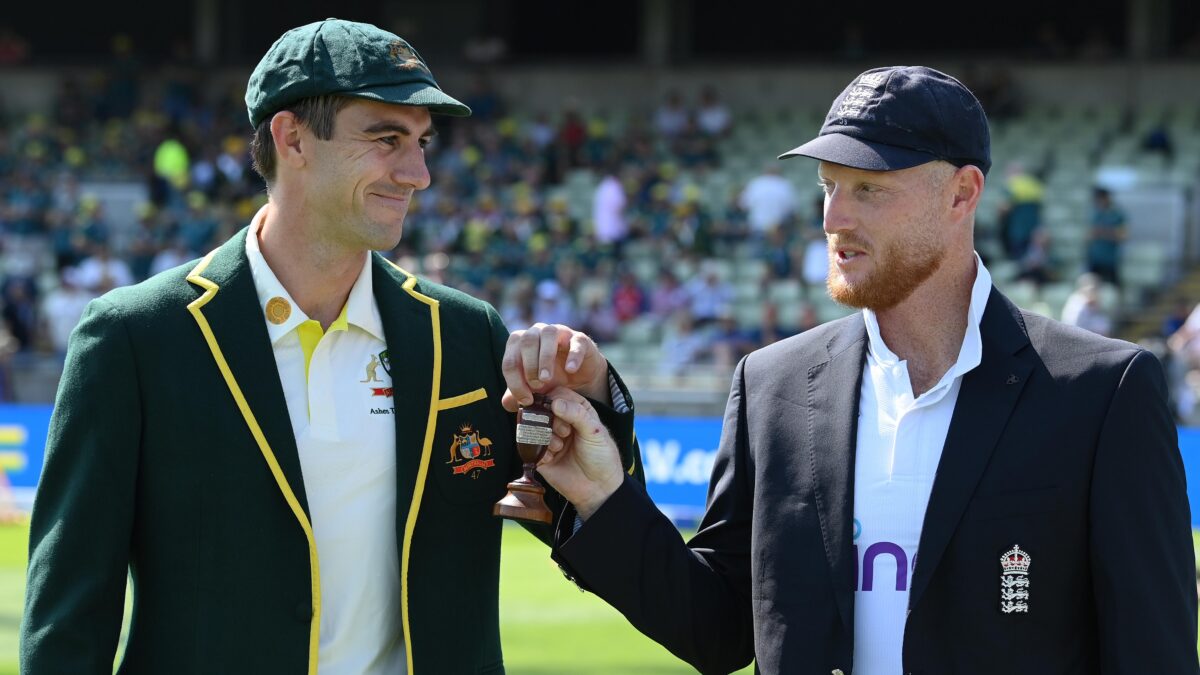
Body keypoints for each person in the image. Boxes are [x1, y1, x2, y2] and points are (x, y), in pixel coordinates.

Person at [20, 19, 642, 675]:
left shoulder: (466, 334)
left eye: (423, 144)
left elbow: (599, 530)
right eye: (387, 140)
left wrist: (596, 393)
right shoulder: (135, 336)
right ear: (291, 138)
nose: (418, 174)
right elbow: (67, 621)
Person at [535, 66, 1197, 674]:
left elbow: (1152, 652)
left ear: (962, 194)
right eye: (828, 187)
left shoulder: (1102, 392)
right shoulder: (772, 386)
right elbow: (721, 628)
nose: (833, 217)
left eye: (868, 189)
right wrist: (602, 499)